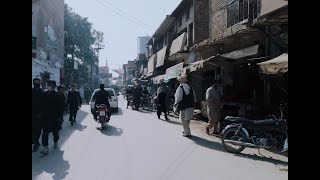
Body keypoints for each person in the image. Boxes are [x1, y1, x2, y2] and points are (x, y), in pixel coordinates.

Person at [40, 81, 61, 154]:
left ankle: (55, 142)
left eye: (50, 85)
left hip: (55, 118)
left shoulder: (57, 96)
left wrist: (59, 118)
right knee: (45, 132)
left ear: (53, 87)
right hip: (45, 117)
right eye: (47, 85)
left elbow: (60, 108)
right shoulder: (44, 94)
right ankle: (45, 147)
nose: (48, 86)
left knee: (55, 132)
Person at [32, 78, 44, 152]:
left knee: (38, 130)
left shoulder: (42, 92)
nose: (36, 83)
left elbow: (45, 103)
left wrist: (41, 113)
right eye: (35, 82)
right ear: (33, 83)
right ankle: (35, 142)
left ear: (40, 83)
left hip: (40, 114)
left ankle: (36, 142)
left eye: (38, 82)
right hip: (32, 113)